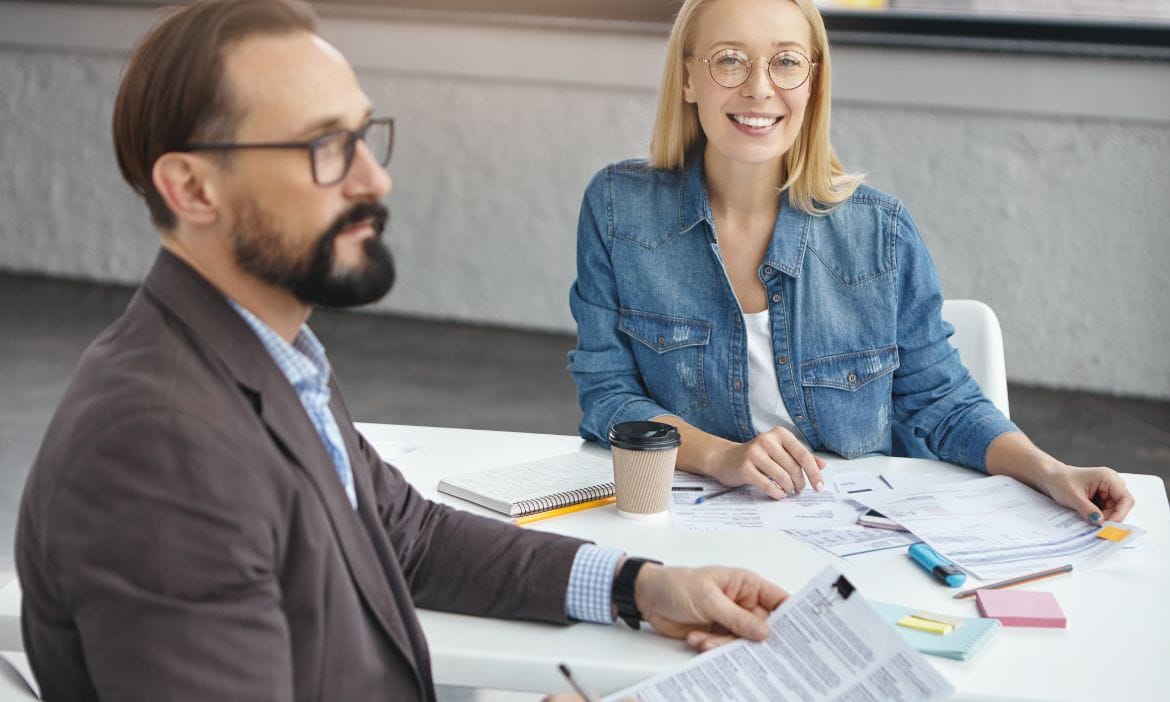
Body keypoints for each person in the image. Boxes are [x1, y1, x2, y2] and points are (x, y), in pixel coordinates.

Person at [14, 1, 788, 699]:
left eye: (363, 135)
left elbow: (404, 535)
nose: (374, 177)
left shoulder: (270, 356)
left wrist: (640, 586)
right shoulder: (158, 448)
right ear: (192, 189)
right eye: (324, 146)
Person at [568, 0, 1133, 525]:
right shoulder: (619, 210)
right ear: (688, 76)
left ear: (812, 82)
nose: (759, 88)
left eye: (786, 62)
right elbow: (608, 396)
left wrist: (1054, 472)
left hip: (850, 534)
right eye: (730, 60)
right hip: (684, 526)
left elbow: (943, 404)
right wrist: (722, 457)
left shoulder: (879, 231)